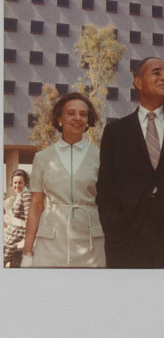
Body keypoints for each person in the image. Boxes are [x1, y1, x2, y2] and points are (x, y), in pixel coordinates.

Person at [96, 57, 164, 268]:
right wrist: (112, 227)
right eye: (156, 73)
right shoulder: (115, 132)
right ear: (138, 82)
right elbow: (105, 186)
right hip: (128, 236)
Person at [22, 93, 106, 268]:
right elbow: (36, 205)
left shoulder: (100, 157)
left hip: (90, 241)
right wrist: (27, 251)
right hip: (51, 242)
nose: (77, 118)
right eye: (71, 113)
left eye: (83, 114)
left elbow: (107, 203)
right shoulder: (42, 158)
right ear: (59, 118)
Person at [4, 169, 31, 267]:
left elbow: (29, 218)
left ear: (25, 183)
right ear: (12, 183)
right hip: (14, 231)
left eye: (20, 183)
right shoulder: (20, 195)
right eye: (15, 182)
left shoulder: (27, 195)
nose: (17, 185)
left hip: (20, 233)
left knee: (4, 257)